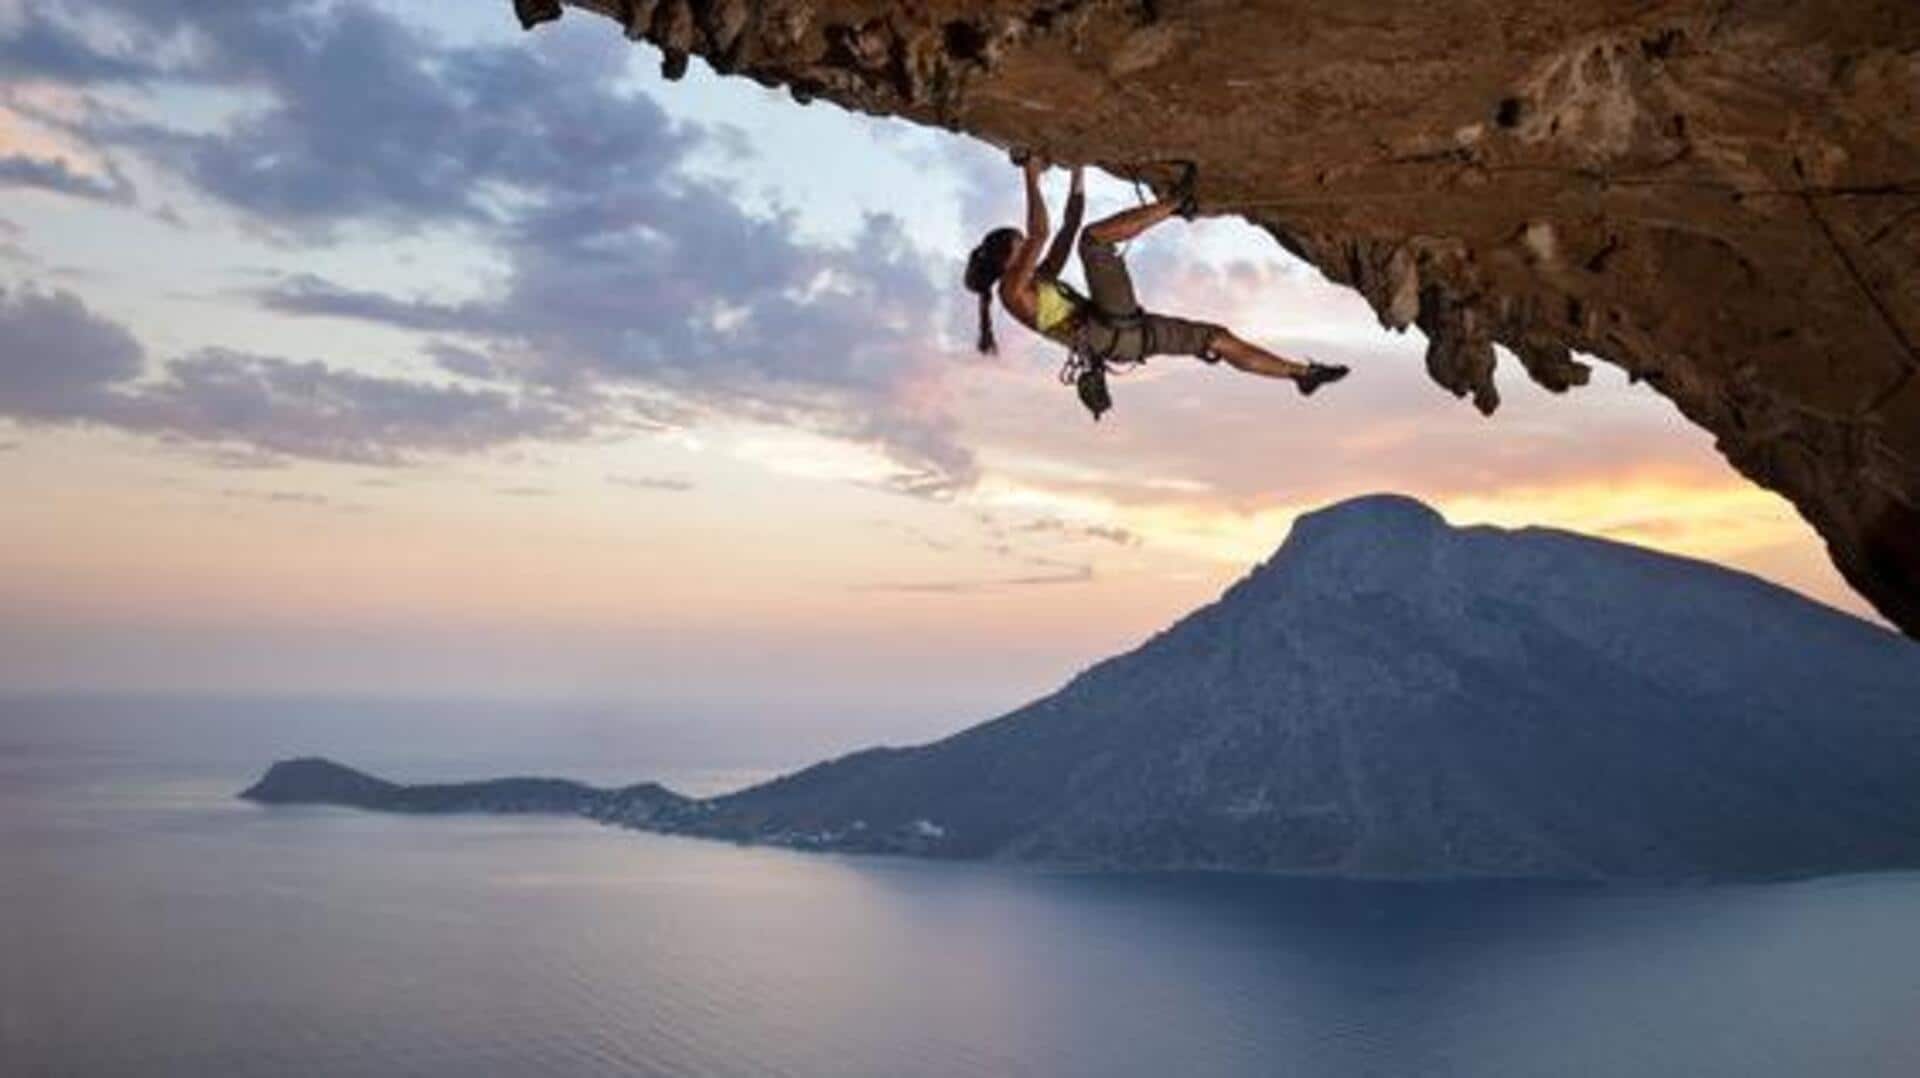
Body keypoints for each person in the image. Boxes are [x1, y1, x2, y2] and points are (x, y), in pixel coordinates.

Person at [965, 154, 1349, 418]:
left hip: (1124, 337)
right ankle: (1177, 203)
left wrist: (1078, 170)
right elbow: (1042, 232)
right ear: (1007, 260)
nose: (1027, 247)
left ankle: (1301, 374)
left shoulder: (1039, 281)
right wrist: (1030, 174)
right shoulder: (1011, 293)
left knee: (1216, 338)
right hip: (1109, 328)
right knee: (1094, 241)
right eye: (1019, 245)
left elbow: (1066, 224)